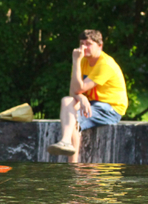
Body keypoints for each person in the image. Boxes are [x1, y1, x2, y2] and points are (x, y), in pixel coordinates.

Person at [47, 30, 127, 163]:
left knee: (73, 119)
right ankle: (66, 143)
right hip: (92, 103)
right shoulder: (82, 60)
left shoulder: (105, 64)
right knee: (67, 101)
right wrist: (81, 97)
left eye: (88, 44)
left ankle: (72, 166)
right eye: (81, 44)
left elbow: (78, 89)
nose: (83, 48)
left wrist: (75, 60)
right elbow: (72, 91)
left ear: (100, 46)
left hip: (111, 108)